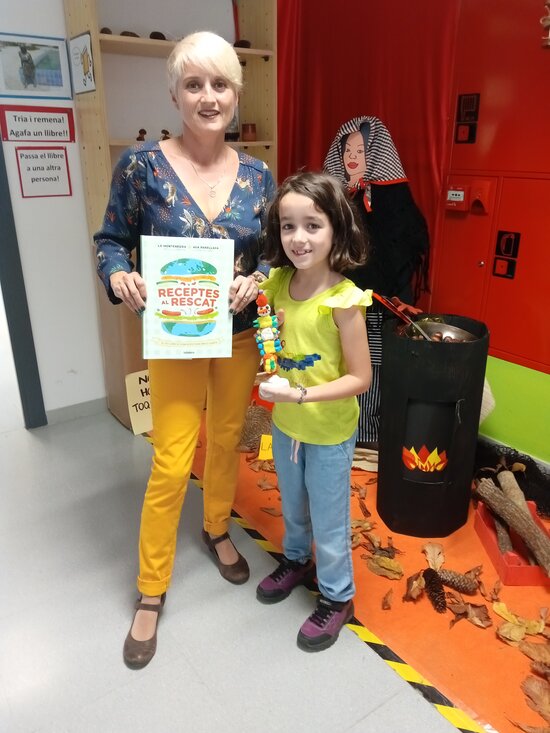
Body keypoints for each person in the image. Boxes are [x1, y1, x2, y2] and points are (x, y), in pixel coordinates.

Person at [94, 30, 275, 669]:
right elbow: (110, 240)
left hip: (239, 334)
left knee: (225, 439)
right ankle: (151, 587)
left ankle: (217, 526)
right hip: (174, 337)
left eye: (220, 84)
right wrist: (119, 274)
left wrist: (259, 279)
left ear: (236, 93)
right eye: (194, 84)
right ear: (175, 94)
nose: (208, 96)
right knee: (173, 460)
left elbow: (273, 253)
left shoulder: (258, 175)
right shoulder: (141, 167)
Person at [255, 172, 372, 652]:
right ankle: (297, 559)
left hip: (328, 432)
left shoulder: (344, 300)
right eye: (288, 226)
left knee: (328, 518)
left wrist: (301, 395)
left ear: (336, 229)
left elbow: (361, 378)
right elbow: (270, 332)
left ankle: (338, 596)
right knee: (293, 504)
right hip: (287, 426)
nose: (298, 238)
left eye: (312, 225)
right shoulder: (278, 282)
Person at [323, 116, 429, 451]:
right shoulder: (331, 201)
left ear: (377, 154)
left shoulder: (393, 199)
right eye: (347, 150)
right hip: (335, 298)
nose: (352, 157)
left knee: (371, 367)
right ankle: (334, 425)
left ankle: (366, 434)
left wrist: (396, 296)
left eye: (360, 150)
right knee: (335, 361)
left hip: (377, 303)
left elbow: (404, 251)